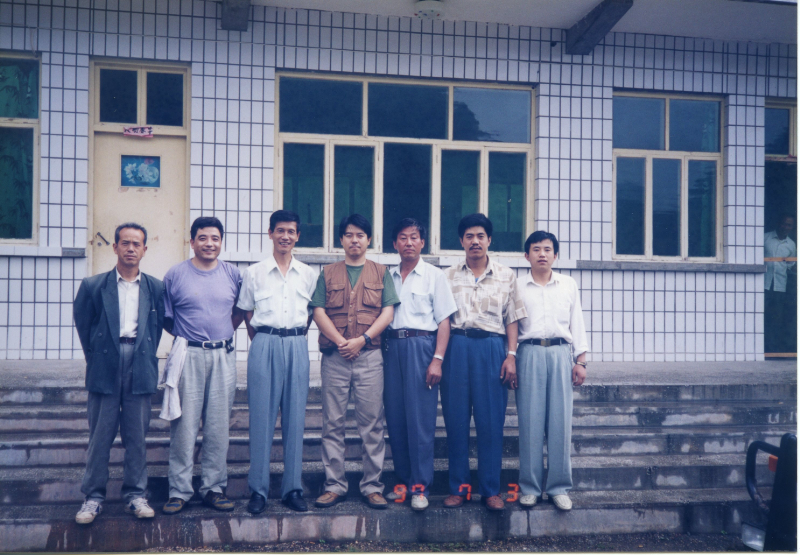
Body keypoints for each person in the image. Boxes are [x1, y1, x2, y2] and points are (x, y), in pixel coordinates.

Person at [73, 223, 165, 524]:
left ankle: (136, 495)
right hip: (105, 362)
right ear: (114, 247)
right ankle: (93, 497)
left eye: (136, 243)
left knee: (137, 435)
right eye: (124, 242)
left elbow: (156, 327)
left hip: (140, 362)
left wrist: (145, 355)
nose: (130, 248)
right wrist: (97, 358)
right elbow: (84, 325)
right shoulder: (94, 285)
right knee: (100, 434)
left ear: (144, 249)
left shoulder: (155, 287)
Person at [311, 214, 399, 510]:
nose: (354, 240)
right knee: (332, 423)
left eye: (360, 235)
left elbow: (388, 312)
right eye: (349, 235)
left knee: (371, 424)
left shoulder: (381, 272)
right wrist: (340, 341)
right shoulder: (327, 273)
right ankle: (334, 485)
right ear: (341, 240)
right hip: (335, 358)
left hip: (370, 357)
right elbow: (318, 312)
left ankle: (372, 486)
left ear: (369, 240)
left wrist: (362, 339)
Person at [441, 213, 526, 512]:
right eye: (469, 236)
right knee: (456, 420)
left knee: (491, 422)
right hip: (457, 346)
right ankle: (459, 489)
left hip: (491, 348)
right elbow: (442, 320)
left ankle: (491, 490)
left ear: (489, 240)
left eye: (480, 236)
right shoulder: (448, 275)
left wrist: (511, 356)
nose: (475, 241)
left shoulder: (507, 275)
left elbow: (512, 318)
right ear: (461, 241)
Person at [161, 216, 244, 514]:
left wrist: (219, 337)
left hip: (223, 355)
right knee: (183, 425)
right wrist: (192, 339)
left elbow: (237, 314)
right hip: (188, 356)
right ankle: (179, 490)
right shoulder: (175, 275)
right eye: (203, 238)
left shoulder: (233, 274)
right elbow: (167, 319)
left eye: (215, 238)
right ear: (192, 240)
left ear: (221, 241)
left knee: (219, 425)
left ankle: (213, 487)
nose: (210, 244)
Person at [237, 210, 317, 514]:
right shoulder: (254, 272)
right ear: (270, 233)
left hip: (297, 344)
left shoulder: (308, 274)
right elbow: (247, 312)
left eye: (291, 231)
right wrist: (264, 341)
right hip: (264, 343)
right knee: (261, 419)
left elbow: (310, 314)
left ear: (297, 236)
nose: (285, 236)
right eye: (280, 230)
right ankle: (258, 490)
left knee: (296, 420)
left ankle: (292, 489)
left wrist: (293, 338)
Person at [384, 218, 457, 511]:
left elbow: (444, 321)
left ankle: (420, 488)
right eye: (402, 238)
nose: (409, 243)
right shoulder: (387, 276)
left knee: (420, 422)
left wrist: (437, 359)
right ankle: (402, 484)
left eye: (414, 237)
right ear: (394, 244)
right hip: (391, 348)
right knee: (397, 419)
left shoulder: (434, 276)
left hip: (422, 347)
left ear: (422, 242)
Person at [515, 230, 589, 511]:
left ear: (555, 255)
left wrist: (580, 361)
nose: (542, 254)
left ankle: (559, 487)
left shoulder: (568, 284)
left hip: (561, 353)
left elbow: (576, 322)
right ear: (527, 256)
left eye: (547, 249)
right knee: (531, 423)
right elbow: (511, 326)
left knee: (560, 423)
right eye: (536, 249)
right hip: (529, 353)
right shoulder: (517, 286)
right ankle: (531, 488)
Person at [764, 214, 797, 353]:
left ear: (792, 227)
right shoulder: (765, 237)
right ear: (779, 223)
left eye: (789, 225)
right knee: (761, 316)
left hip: (779, 286)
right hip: (763, 285)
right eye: (784, 224)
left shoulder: (791, 244)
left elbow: (791, 264)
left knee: (776, 318)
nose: (785, 227)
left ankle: (773, 349)